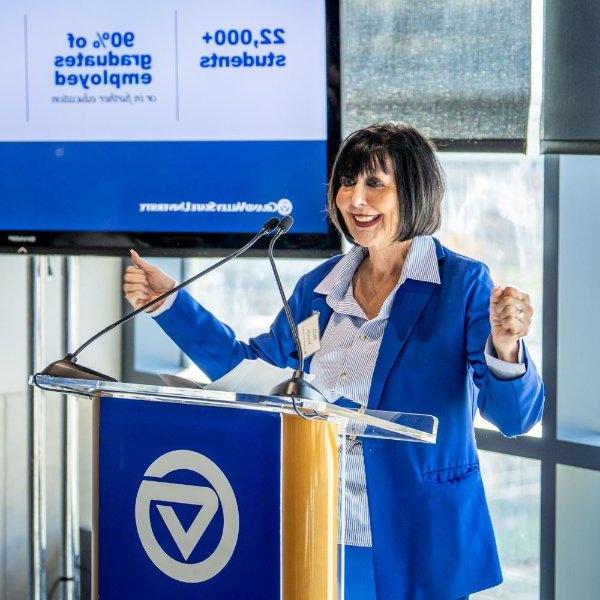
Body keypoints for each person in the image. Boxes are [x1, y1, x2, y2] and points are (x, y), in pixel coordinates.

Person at [123, 122, 544, 600]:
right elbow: (253, 368)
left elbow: (514, 418)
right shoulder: (319, 289)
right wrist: (170, 305)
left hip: (417, 534)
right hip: (320, 527)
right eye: (347, 182)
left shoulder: (462, 283)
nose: (355, 199)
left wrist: (507, 346)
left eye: (375, 184)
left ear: (416, 190)